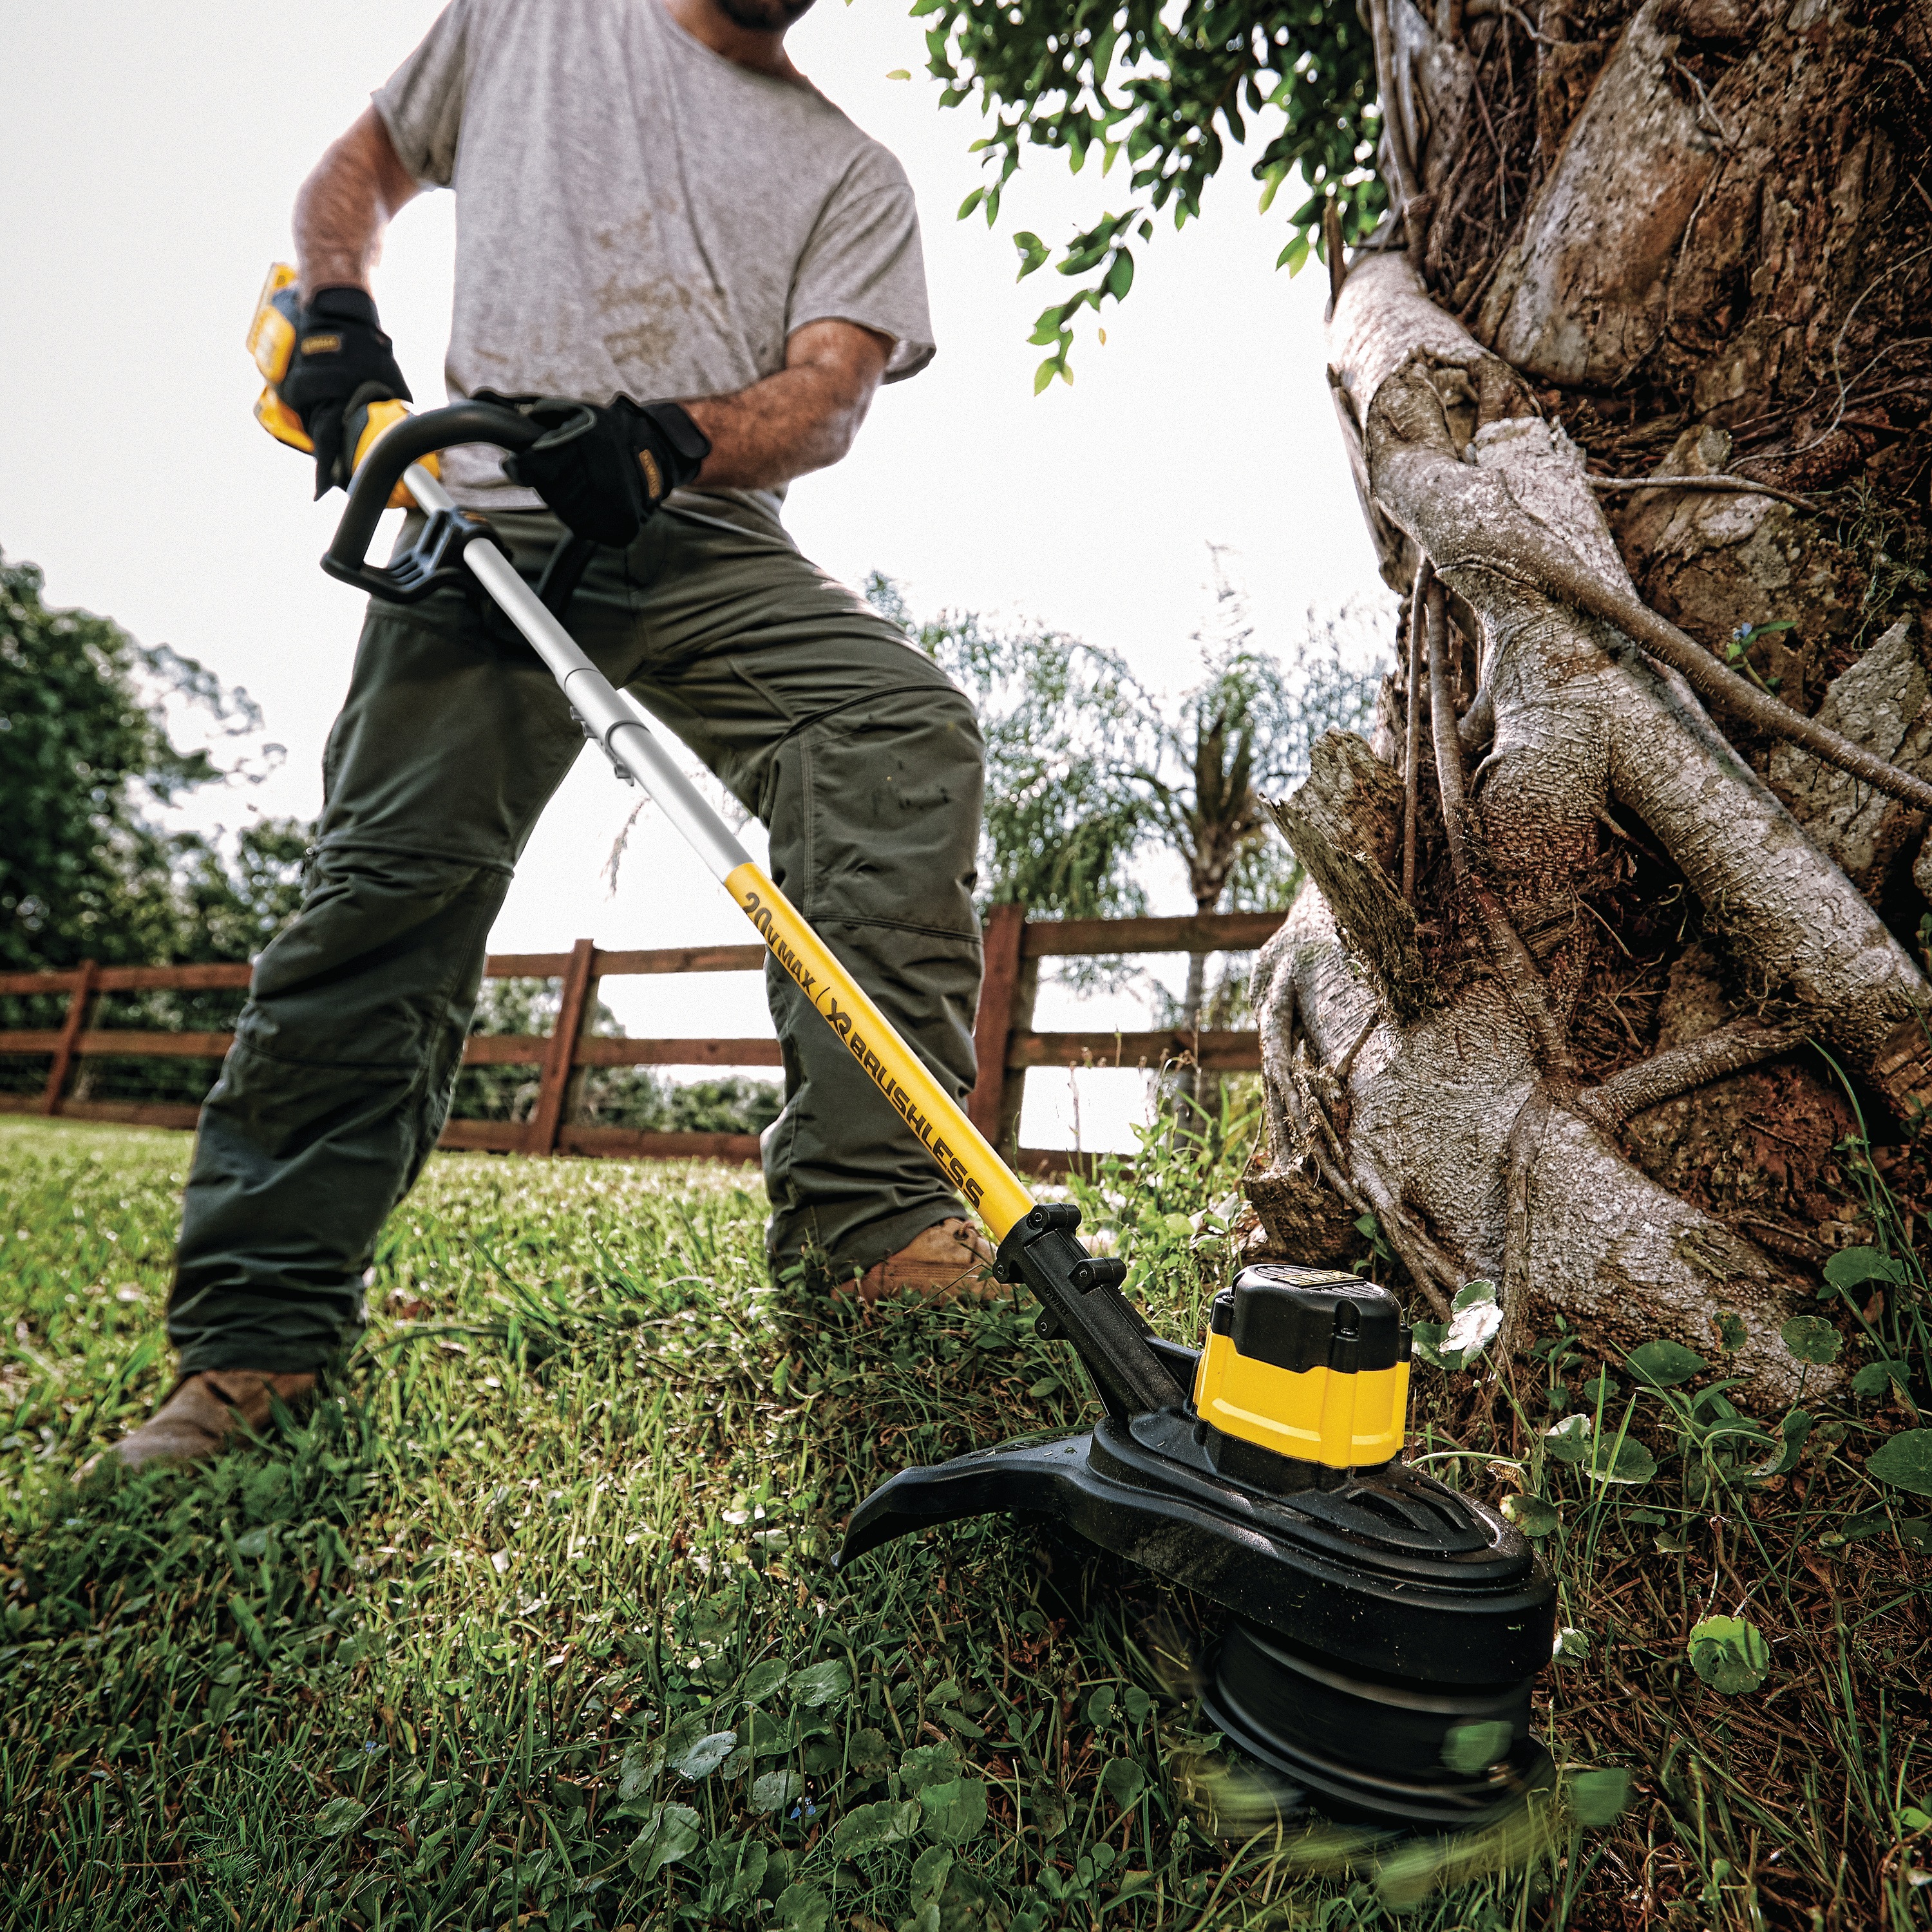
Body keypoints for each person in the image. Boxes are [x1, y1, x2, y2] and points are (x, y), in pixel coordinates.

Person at [107, 0, 995, 1472]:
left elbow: (829, 397)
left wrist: (666, 440)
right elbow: (361, 168)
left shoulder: (854, 174)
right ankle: (258, 1338)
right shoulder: (530, 21)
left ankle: (876, 1229)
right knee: (385, 890)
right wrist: (334, 303)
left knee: (894, 721)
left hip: (698, 534)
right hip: (484, 523)